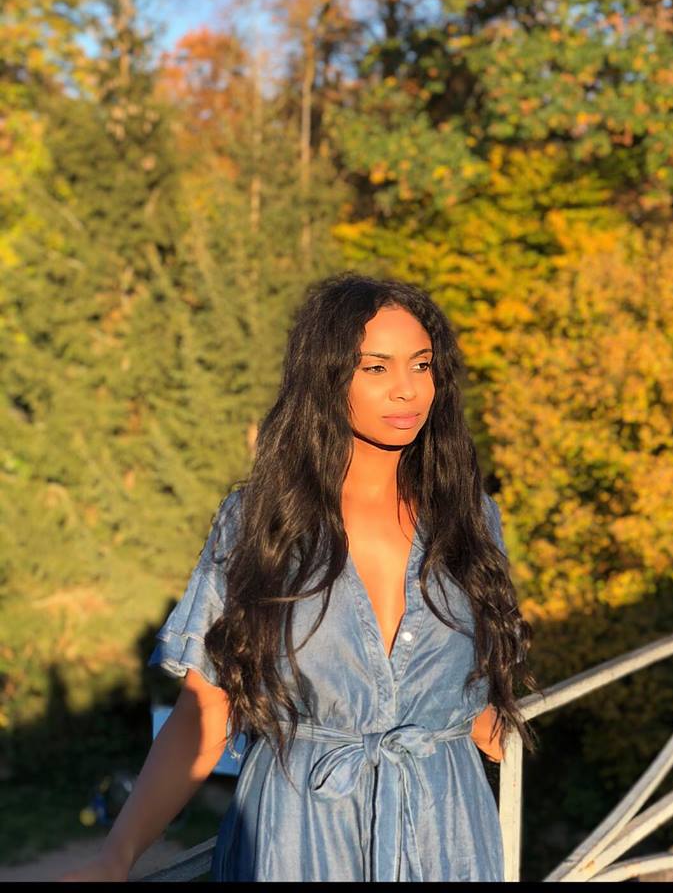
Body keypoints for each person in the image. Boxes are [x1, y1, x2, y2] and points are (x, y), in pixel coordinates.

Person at [60, 272, 536, 883]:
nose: (407, 389)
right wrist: (117, 855)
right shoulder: (260, 524)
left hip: (446, 833)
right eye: (376, 368)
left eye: (421, 365)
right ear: (326, 378)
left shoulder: (472, 518)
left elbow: (467, 668)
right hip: (300, 838)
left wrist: (465, 705)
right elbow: (206, 709)